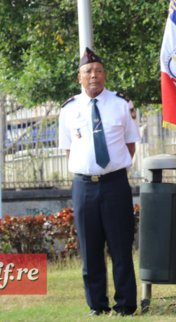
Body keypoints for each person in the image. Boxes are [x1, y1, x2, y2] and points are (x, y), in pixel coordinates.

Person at [58, 48, 140, 316]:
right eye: (88, 72)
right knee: (90, 248)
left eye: (98, 71)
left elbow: (130, 145)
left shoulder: (121, 104)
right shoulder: (68, 110)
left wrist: (111, 168)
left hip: (115, 183)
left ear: (105, 75)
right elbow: (69, 150)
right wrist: (89, 169)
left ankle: (126, 304)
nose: (94, 75)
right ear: (79, 77)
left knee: (120, 246)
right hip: (84, 186)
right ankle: (97, 305)